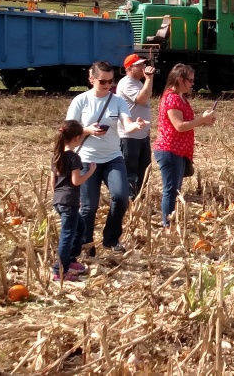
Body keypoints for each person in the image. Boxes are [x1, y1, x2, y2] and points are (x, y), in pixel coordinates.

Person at [66, 61, 148, 255]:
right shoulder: (81, 100)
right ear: (91, 79)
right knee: (89, 206)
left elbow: (126, 124)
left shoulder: (117, 100)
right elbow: (68, 129)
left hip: (113, 157)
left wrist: (135, 126)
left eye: (111, 81)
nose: (107, 85)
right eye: (103, 81)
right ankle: (86, 244)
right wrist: (88, 130)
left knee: (121, 197)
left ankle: (111, 239)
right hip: (87, 159)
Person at [153, 64, 215, 229]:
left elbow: (187, 125)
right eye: (190, 81)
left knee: (175, 189)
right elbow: (179, 126)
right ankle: (167, 224)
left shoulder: (181, 97)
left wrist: (204, 121)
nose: (192, 84)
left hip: (179, 150)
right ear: (179, 80)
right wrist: (201, 120)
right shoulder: (172, 98)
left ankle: (170, 222)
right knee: (171, 190)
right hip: (169, 149)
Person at [50, 120, 96, 281]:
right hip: (70, 201)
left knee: (80, 227)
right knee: (67, 235)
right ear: (77, 138)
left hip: (59, 200)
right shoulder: (74, 158)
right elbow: (76, 181)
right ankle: (59, 269)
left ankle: (70, 260)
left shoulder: (57, 155)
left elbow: (52, 183)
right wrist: (91, 171)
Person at [117, 54, 156, 200]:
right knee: (130, 172)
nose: (143, 68)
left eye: (143, 64)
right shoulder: (126, 83)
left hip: (142, 136)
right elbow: (142, 99)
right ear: (129, 68)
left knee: (143, 170)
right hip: (129, 137)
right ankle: (129, 200)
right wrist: (149, 79)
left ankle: (140, 198)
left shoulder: (139, 83)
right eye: (139, 65)